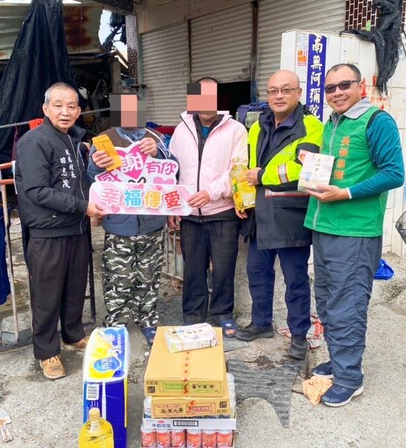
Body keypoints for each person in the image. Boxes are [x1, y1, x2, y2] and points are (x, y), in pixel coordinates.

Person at [304, 63, 405, 406]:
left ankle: (350, 377)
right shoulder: (332, 123)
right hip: (325, 226)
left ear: (361, 86)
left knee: (347, 304)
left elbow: (394, 173)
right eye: (329, 88)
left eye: (344, 85)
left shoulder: (377, 121)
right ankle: (340, 360)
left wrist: (344, 194)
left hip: (355, 231)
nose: (336, 93)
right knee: (329, 301)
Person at [15, 82, 106, 380]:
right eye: (58, 105)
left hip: (75, 229)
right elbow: (37, 190)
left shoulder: (73, 141)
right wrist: (84, 207)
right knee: (46, 294)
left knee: (74, 287)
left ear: (79, 111)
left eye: (71, 106)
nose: (65, 112)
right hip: (48, 232)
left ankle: (72, 333)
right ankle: (46, 350)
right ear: (45, 109)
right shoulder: (34, 141)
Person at [234, 70, 323, 361]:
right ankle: (262, 323)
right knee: (257, 273)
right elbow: (247, 167)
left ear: (299, 93)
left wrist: (263, 175)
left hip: (289, 215)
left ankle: (299, 334)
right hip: (258, 213)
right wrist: (241, 197)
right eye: (273, 91)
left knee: (295, 279)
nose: (279, 96)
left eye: (286, 90)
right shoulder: (258, 126)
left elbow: (307, 171)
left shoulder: (312, 126)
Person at [87, 93, 171, 346]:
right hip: (119, 223)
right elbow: (92, 176)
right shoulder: (104, 140)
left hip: (152, 221)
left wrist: (158, 154)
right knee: (118, 276)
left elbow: (172, 169)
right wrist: (95, 164)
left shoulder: (156, 138)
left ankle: (148, 320)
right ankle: (116, 323)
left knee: (149, 275)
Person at [167, 77, 248, 337]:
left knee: (224, 267)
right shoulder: (181, 130)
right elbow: (172, 170)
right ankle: (192, 316)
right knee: (192, 269)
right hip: (190, 214)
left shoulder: (236, 129)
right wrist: (173, 206)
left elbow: (238, 169)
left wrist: (210, 193)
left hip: (222, 211)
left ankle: (223, 314)